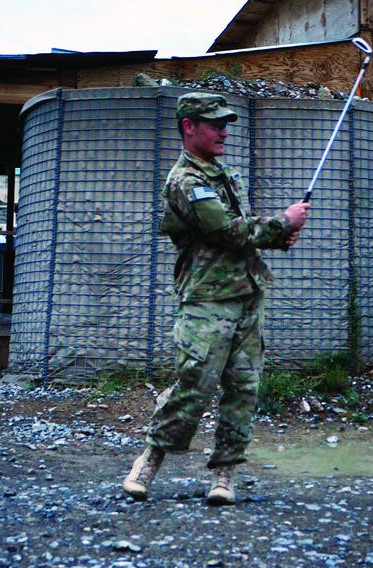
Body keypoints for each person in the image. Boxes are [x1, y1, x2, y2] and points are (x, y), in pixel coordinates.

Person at [123, 92, 311, 505]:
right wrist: (283, 222)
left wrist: (280, 236)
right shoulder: (185, 181)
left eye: (226, 123)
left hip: (247, 294)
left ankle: (224, 475)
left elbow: (239, 234)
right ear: (189, 126)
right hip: (208, 300)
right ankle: (150, 459)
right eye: (214, 124)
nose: (224, 131)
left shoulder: (221, 173)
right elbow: (226, 231)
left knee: (243, 389)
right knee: (194, 384)